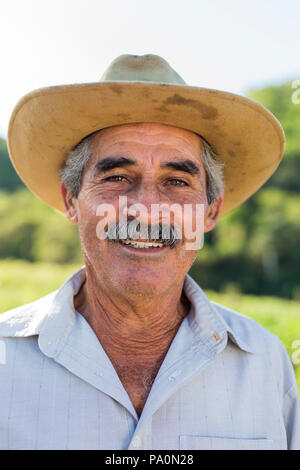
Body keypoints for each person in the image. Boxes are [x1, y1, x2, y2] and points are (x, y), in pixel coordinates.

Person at [0, 54, 299, 450]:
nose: (145, 208)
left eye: (176, 181)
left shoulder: (265, 362)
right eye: (117, 177)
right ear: (71, 199)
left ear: (210, 210)